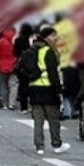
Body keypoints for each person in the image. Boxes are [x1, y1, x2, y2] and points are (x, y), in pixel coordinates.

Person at [28, 27, 71, 155]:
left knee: (38, 120)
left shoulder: (32, 50)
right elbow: (53, 73)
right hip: (48, 89)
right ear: (47, 37)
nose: (55, 39)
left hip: (34, 88)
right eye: (53, 36)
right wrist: (58, 89)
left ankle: (39, 146)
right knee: (53, 119)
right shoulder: (48, 51)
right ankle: (56, 144)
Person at [0, 28, 17, 110]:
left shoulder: (1, 41)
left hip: (2, 66)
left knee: (3, 85)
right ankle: (12, 104)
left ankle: (5, 104)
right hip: (14, 66)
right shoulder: (16, 41)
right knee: (13, 85)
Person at [14, 23, 34, 113]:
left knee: (23, 86)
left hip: (22, 64)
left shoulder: (18, 40)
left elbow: (15, 52)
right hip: (32, 64)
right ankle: (32, 104)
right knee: (32, 85)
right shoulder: (32, 40)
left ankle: (24, 107)